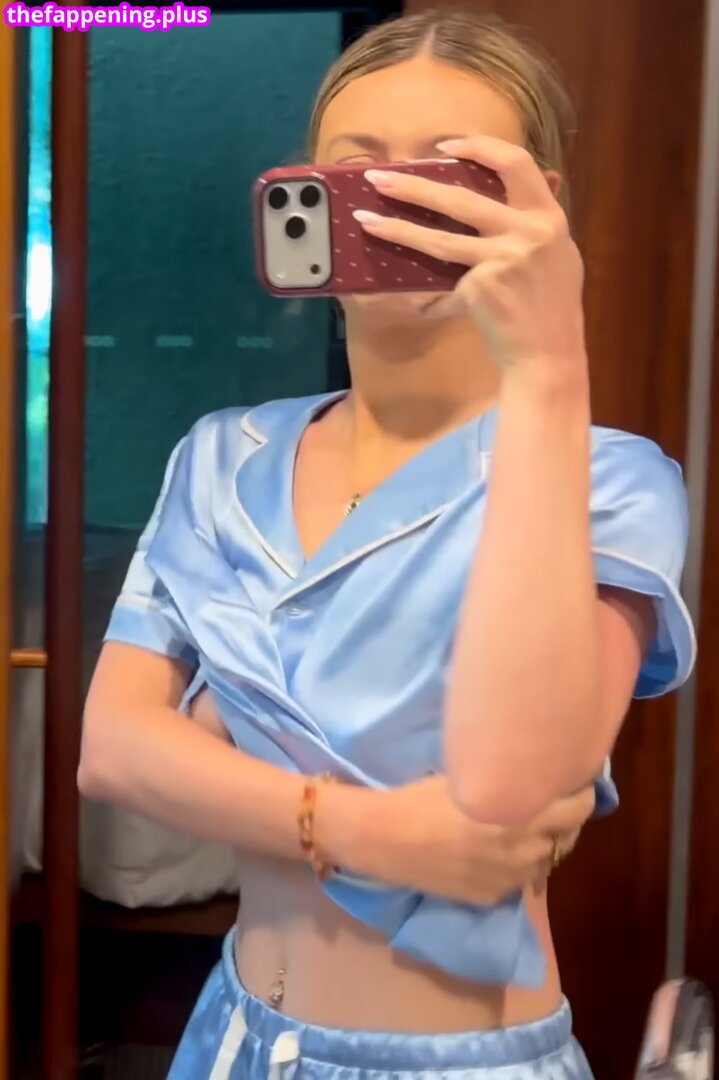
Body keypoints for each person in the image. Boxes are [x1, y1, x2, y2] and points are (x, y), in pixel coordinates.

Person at [79, 9, 696, 1079]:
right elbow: (113, 750)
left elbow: (506, 791)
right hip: (228, 1034)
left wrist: (548, 363)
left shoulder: (606, 480)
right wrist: (370, 827)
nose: (391, 201)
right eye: (355, 168)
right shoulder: (223, 457)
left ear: (537, 206)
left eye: (442, 174)